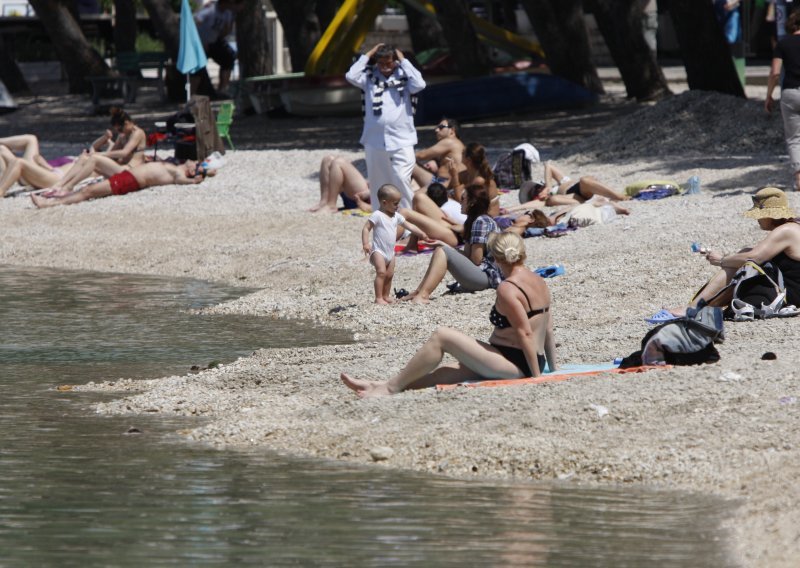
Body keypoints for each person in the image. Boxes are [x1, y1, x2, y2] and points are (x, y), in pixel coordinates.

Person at [341, 232, 558, 397]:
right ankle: (380, 385)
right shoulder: (538, 280)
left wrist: (536, 378)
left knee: (442, 336)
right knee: (443, 373)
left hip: (516, 364)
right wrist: (552, 368)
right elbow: (547, 328)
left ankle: (389, 389)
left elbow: (525, 333)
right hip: (520, 359)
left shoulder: (508, 289)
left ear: (496, 257)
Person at [674, 187, 800, 313]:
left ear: (769, 215)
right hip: (792, 290)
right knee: (744, 254)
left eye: (759, 216)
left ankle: (693, 308)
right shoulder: (793, 226)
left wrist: (721, 260)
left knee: (742, 263)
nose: (757, 219)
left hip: (791, 295)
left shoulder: (785, 231)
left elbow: (754, 258)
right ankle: (703, 307)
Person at [346, 43, 426, 210]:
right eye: (381, 63)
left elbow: (420, 83)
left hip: (402, 138)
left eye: (389, 63)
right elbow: (351, 75)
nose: (385, 67)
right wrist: (368, 54)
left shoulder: (405, 78)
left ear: (395, 61)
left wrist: (403, 60)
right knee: (377, 182)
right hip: (374, 139)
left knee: (401, 177)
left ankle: (409, 217)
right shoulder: (368, 77)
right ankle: (381, 218)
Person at [403, 184, 502, 304]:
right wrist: (444, 245)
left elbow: (476, 260)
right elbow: (468, 255)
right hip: (483, 275)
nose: (460, 203)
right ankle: (419, 291)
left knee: (442, 250)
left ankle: (423, 294)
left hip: (486, 279)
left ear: (472, 202)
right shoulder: (477, 220)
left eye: (463, 199)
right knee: (442, 249)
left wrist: (446, 249)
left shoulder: (480, 222)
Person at [31, 160, 213, 208]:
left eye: (195, 165)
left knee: (88, 191)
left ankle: (50, 203)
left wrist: (193, 180)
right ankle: (61, 194)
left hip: (130, 181)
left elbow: (182, 180)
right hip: (128, 177)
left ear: (191, 171)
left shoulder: (178, 172)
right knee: (88, 190)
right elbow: (209, 167)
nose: (193, 161)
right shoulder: (176, 166)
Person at [362, 184, 428, 304]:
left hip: (390, 252)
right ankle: (378, 298)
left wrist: (421, 233)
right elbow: (366, 228)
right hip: (378, 251)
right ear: (384, 203)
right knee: (381, 272)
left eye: (398, 203)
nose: (398, 206)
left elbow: (409, 225)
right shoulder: (377, 215)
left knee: (390, 274)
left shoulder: (396, 216)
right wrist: (366, 243)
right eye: (395, 203)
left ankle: (386, 295)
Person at [511, 160, 630, 211]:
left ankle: (619, 197)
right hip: (574, 197)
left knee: (585, 180)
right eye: (536, 192)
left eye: (538, 187)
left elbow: (548, 166)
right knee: (553, 199)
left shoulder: (559, 183)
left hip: (582, 188)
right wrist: (508, 210)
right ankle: (613, 198)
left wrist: (548, 186)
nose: (539, 189)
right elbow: (526, 206)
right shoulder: (546, 200)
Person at [767, 10, 800, 190]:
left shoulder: (783, 43)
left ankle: (799, 180)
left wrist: (768, 95)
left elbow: (775, 72)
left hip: (790, 93)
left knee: (795, 138)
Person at [194, 0, 243, 95]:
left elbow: (225, 31)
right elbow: (197, 21)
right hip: (201, 42)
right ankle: (193, 93)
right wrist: (201, 41)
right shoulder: (211, 10)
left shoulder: (228, 13)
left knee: (228, 58)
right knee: (198, 68)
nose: (232, 5)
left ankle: (223, 89)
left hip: (214, 41)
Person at [441, 142, 501, 217]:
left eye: (463, 153)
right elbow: (444, 187)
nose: (460, 156)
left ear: (468, 159)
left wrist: (454, 176)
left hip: (486, 217)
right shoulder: (467, 174)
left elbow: (461, 200)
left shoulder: (480, 180)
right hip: (472, 213)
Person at [411, 117, 465, 189]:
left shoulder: (450, 141)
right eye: (437, 127)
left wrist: (404, 155)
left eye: (441, 127)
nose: (436, 130)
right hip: (444, 182)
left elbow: (422, 155)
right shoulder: (457, 144)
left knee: (410, 162)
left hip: (443, 184)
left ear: (452, 131)